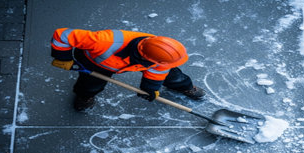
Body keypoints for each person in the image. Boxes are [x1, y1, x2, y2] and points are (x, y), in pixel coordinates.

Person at [50, 28, 205, 111]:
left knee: (173, 75)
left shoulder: (163, 53)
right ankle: (85, 97)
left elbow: (159, 70)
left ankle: (186, 87)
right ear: (148, 56)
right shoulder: (104, 41)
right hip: (96, 63)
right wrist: (63, 58)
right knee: (90, 84)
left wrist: (150, 88)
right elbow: (63, 35)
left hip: (141, 61)